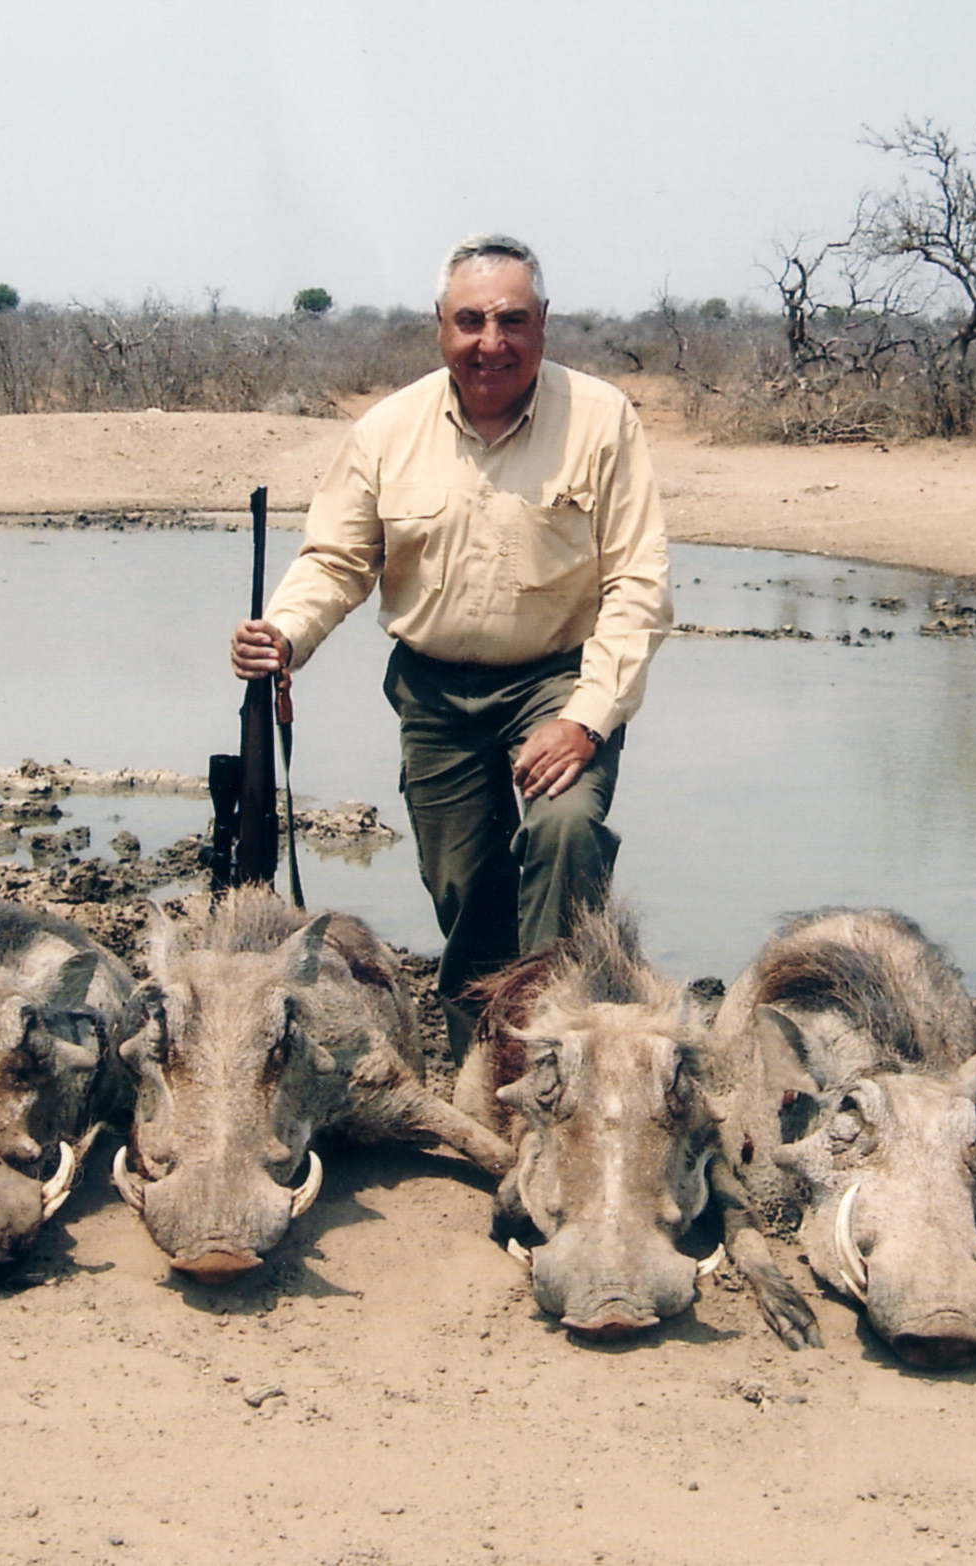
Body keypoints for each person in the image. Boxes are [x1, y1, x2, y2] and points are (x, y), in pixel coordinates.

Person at [229, 232, 673, 1058]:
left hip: (559, 680)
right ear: (440, 324)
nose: (491, 343)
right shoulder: (386, 429)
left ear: (544, 323)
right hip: (433, 692)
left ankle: (552, 1051)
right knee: (466, 890)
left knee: (565, 829)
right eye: (471, 321)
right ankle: (484, 1062)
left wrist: (586, 719)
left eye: (512, 321)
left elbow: (637, 585)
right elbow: (336, 560)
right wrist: (284, 634)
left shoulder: (603, 419)